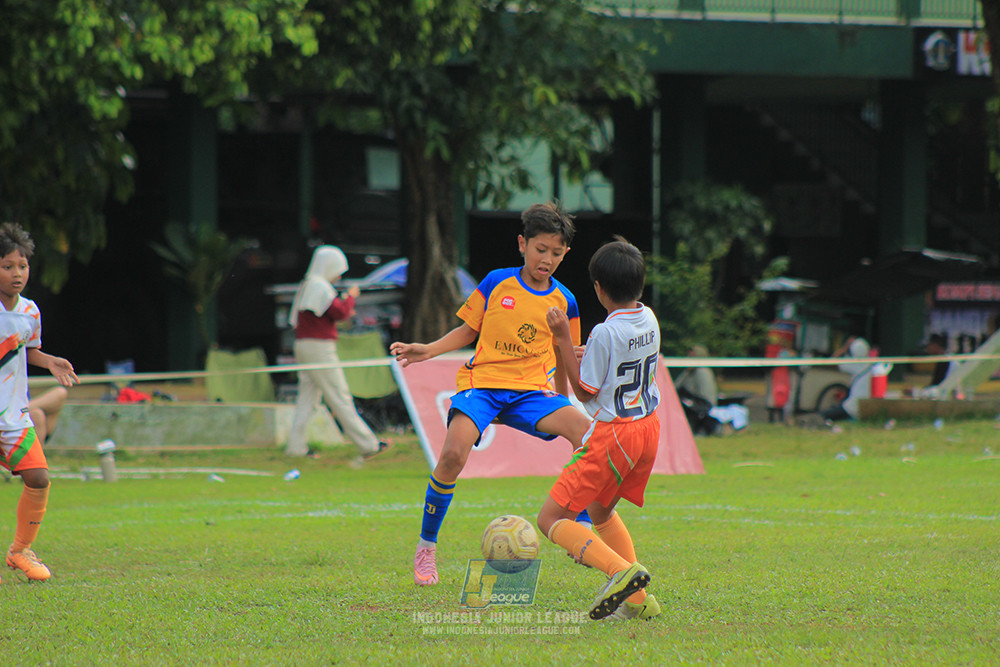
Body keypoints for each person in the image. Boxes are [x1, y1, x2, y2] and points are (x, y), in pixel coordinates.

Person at [390, 201, 592, 586]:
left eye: (556, 253)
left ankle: (580, 523)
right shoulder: (497, 282)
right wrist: (427, 350)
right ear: (522, 244)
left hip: (531, 393)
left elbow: (563, 354)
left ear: (566, 253)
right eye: (540, 249)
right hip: (482, 386)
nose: (547, 259)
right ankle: (427, 547)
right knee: (452, 455)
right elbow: (469, 331)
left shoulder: (565, 301)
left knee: (587, 435)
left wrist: (564, 399)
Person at [540, 237, 660, 621]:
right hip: (647, 428)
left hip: (614, 435)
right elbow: (617, 361)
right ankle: (638, 601)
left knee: (550, 519)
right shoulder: (649, 318)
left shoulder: (603, 333)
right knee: (600, 511)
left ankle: (621, 573)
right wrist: (584, 354)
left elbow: (583, 390)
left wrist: (563, 338)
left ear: (599, 288)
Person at [0, 222, 79, 582]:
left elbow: (27, 350)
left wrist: (50, 361)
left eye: (23, 266)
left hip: (14, 415)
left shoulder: (30, 311)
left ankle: (20, 551)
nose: (17, 274)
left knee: (39, 477)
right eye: (8, 266)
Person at [286, 245, 390, 461]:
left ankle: (295, 447)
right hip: (319, 348)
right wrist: (350, 297)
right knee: (339, 395)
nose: (339, 276)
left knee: (307, 399)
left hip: (304, 345)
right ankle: (368, 444)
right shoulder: (320, 286)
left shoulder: (309, 285)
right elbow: (340, 312)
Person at [820, 335, 873, 422]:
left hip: (851, 408)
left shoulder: (852, 363)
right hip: (865, 407)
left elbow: (832, 361)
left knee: (823, 415)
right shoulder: (871, 365)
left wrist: (844, 348)